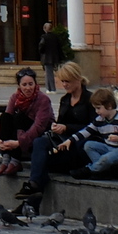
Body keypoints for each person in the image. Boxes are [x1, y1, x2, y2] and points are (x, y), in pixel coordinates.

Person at [18, 61, 95, 197]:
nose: (64, 85)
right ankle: (33, 188)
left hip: (79, 148)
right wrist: (56, 126)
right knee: (39, 144)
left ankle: (31, 197)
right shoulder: (65, 99)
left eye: (67, 81)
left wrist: (67, 128)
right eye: (62, 81)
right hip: (63, 145)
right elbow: (61, 122)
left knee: (41, 165)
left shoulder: (90, 99)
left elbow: (94, 127)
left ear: (77, 79)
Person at [58, 86, 118, 177]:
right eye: (95, 108)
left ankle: (90, 170)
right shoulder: (100, 120)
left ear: (109, 105)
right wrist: (70, 140)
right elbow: (86, 131)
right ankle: (102, 170)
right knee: (88, 145)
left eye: (99, 108)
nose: (96, 111)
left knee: (106, 158)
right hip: (108, 147)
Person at [0, 67, 53, 175]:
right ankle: (6, 159)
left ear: (35, 84)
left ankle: (15, 161)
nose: (28, 88)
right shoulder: (15, 97)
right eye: (24, 85)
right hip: (20, 130)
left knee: (19, 117)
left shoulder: (43, 99)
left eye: (31, 84)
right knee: (5, 117)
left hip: (40, 133)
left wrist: (19, 143)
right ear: (19, 86)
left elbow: (39, 126)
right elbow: (5, 119)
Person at [36, 22, 65, 90]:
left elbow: (41, 47)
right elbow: (59, 47)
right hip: (55, 57)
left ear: (45, 29)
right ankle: (50, 88)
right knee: (50, 73)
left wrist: (41, 53)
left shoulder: (44, 37)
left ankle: (51, 88)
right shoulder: (55, 37)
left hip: (47, 58)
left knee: (49, 73)